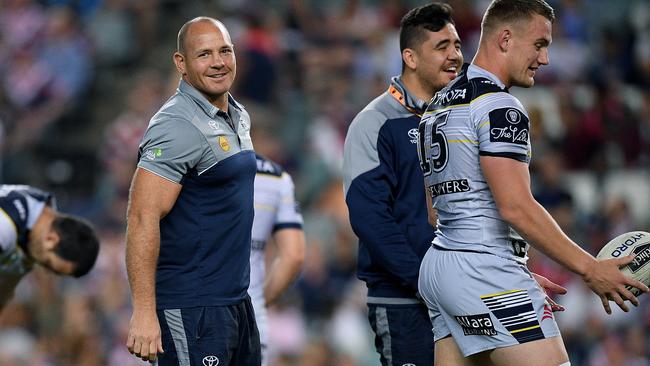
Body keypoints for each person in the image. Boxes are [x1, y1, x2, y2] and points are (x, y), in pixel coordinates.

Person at [416, 1, 650, 365]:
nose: (545, 59)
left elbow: (437, 214)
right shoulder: (498, 107)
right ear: (506, 38)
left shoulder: (436, 106)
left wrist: (512, 270)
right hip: (483, 269)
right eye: (540, 44)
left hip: (440, 269)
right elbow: (515, 207)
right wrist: (590, 269)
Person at [125, 17, 260, 365]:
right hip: (191, 307)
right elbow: (142, 217)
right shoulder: (177, 125)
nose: (218, 62)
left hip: (234, 303)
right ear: (181, 64)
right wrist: (143, 312)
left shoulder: (236, 114)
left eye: (225, 51)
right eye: (204, 54)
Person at [342, 4, 462, 365]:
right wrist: (427, 283)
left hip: (465, 295)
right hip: (405, 302)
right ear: (410, 57)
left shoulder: (462, 117)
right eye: (442, 47)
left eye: (457, 45)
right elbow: (370, 219)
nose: (455, 55)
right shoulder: (374, 123)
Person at [0, 184, 99, 311]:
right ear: (51, 239)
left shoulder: (41, 213)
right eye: (47, 264)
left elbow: (7, 284)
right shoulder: (5, 226)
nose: (45, 271)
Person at [249, 153, 305, 365]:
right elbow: (294, 256)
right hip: (252, 320)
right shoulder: (276, 176)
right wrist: (258, 302)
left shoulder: (189, 165)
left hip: (194, 313)